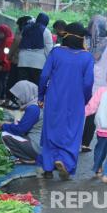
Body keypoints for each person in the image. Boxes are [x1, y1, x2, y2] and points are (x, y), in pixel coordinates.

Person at [38, 22, 94, 180]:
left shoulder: (56, 53)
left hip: (54, 98)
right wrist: (85, 99)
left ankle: (48, 167)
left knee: (51, 130)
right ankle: (64, 162)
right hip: (76, 100)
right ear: (81, 39)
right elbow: (88, 83)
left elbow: (44, 76)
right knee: (71, 132)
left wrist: (41, 96)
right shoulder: (86, 57)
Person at [81, 15, 107, 153]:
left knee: (80, 111)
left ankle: (74, 139)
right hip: (104, 84)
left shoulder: (84, 41)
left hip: (85, 82)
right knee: (93, 114)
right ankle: (85, 142)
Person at [0, 81, 43, 163]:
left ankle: (27, 158)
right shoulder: (40, 103)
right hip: (45, 147)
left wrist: (3, 126)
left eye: (18, 97)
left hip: (37, 147)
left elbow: (20, 130)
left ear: (26, 93)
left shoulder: (33, 108)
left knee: (4, 135)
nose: (18, 100)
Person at [4, 16, 32, 109]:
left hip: (17, 62)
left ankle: (8, 101)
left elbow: (15, 45)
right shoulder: (34, 34)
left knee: (12, 81)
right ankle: (22, 102)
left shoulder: (21, 34)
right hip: (29, 64)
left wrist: (8, 56)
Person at [18, 13, 53, 85]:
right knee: (35, 85)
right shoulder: (46, 31)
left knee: (23, 85)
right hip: (38, 63)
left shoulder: (26, 28)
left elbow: (20, 41)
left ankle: (22, 96)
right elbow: (48, 49)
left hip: (23, 61)